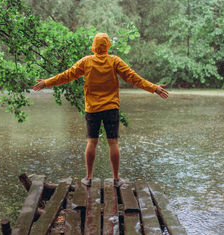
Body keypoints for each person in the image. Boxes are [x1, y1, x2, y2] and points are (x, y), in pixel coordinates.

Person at [33, 33, 169, 187]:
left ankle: (89, 178)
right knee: (113, 143)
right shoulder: (115, 61)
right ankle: (116, 179)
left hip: (92, 109)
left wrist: (46, 83)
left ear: (94, 46)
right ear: (108, 45)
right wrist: (154, 88)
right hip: (111, 108)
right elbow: (133, 78)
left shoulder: (86, 62)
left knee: (92, 142)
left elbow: (66, 75)